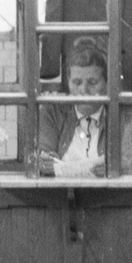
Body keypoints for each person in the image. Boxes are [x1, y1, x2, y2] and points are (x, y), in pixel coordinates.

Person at [38, 38, 108, 176]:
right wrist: (45, 160)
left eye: (92, 82)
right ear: (68, 83)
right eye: (77, 82)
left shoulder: (118, 113)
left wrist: (117, 166)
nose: (84, 90)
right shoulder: (52, 111)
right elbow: (41, 151)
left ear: (106, 83)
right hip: (60, 194)